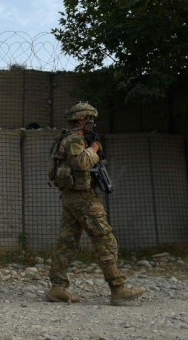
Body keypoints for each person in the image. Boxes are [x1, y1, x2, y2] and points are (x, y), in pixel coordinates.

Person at [47, 101, 144, 305]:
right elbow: (80, 163)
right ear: (82, 120)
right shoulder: (75, 139)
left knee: (67, 242)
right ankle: (117, 288)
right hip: (82, 197)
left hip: (72, 196)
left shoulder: (69, 138)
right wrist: (93, 148)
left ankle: (57, 288)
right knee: (104, 238)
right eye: (90, 119)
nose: (93, 123)